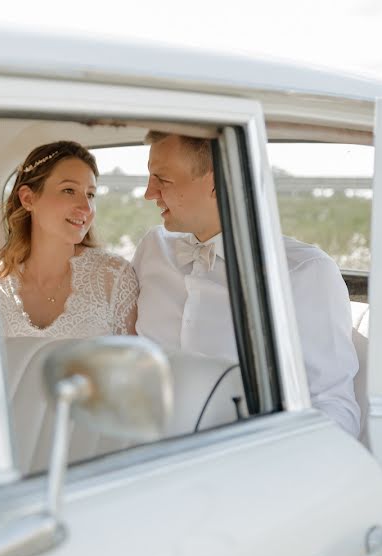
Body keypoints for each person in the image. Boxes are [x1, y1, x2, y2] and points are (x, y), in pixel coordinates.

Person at [132, 131, 360, 436]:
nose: (149, 193)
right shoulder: (152, 248)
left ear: (218, 182)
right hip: (134, 456)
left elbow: (334, 411)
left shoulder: (304, 273)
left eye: (163, 179)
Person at [0, 141, 138, 340]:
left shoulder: (114, 277)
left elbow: (135, 366)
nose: (86, 208)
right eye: (69, 190)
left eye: (91, 194)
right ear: (28, 198)